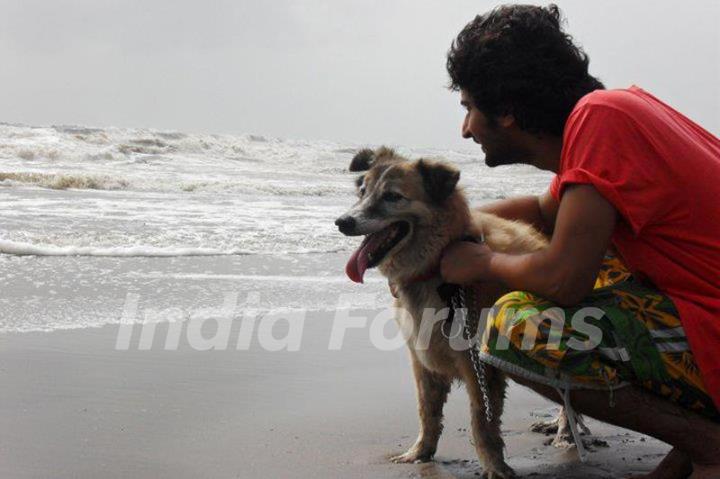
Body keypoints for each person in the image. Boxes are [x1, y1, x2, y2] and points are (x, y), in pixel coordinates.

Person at [439, 4, 720, 478]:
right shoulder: (612, 111)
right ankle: (694, 447)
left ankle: (710, 446)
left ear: (506, 109)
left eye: (468, 107)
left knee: (517, 328)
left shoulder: (600, 120)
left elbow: (565, 279)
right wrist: (432, 236)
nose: (465, 129)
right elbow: (542, 214)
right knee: (579, 256)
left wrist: (483, 262)